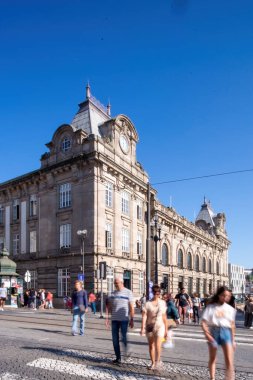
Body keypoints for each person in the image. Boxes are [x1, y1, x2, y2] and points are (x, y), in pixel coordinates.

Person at [201, 286, 236, 380]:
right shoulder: (211, 307)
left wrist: (233, 340)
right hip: (214, 333)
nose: (225, 298)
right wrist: (207, 334)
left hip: (226, 332)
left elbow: (232, 325)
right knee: (213, 358)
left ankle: (228, 378)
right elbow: (203, 323)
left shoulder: (230, 309)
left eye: (228, 296)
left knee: (229, 360)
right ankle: (212, 378)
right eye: (223, 295)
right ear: (219, 295)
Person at [106, 276, 134, 365]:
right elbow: (109, 307)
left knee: (124, 337)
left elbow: (131, 307)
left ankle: (127, 350)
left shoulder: (128, 292)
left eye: (116, 283)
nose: (115, 285)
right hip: (114, 319)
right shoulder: (112, 294)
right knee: (115, 340)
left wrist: (132, 319)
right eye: (114, 283)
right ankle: (118, 358)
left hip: (124, 319)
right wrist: (107, 318)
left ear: (121, 283)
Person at [141, 285, 167, 370]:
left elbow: (164, 317)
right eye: (155, 293)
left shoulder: (162, 303)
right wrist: (142, 328)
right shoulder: (147, 304)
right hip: (149, 326)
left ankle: (157, 361)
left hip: (160, 326)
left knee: (158, 345)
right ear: (152, 293)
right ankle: (152, 363)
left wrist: (166, 329)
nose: (157, 294)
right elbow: (144, 316)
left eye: (158, 293)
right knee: (151, 346)